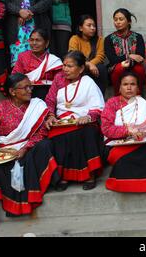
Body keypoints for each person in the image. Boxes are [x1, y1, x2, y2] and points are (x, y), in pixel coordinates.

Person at [0, 73, 59, 235]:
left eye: (30, 86)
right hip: (5, 151)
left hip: (28, 150)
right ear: (13, 92)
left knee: (45, 145)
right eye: (25, 87)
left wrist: (25, 148)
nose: (30, 90)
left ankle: (49, 182)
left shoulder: (37, 106)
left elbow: (41, 133)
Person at [44, 51, 105, 191]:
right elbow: (50, 100)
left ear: (81, 68)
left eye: (70, 66)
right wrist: (51, 116)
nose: (65, 69)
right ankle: (64, 176)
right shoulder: (58, 79)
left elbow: (98, 106)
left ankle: (90, 174)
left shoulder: (88, 82)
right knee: (57, 136)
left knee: (86, 131)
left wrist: (88, 117)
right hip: (62, 122)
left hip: (84, 121)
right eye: (64, 65)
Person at [102, 72, 146, 192]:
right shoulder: (112, 103)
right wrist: (128, 131)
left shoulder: (143, 103)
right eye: (125, 84)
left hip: (140, 141)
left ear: (138, 88)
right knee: (125, 155)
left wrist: (145, 133)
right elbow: (106, 129)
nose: (129, 87)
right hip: (116, 143)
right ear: (119, 87)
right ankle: (124, 184)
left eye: (132, 84)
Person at [12, 28, 62, 100]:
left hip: (48, 94)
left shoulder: (54, 61)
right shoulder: (23, 57)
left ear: (46, 43)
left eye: (38, 40)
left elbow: (60, 82)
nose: (34, 43)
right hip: (26, 93)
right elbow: (15, 77)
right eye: (31, 40)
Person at [105, 8, 146, 95]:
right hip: (116, 66)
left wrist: (130, 62)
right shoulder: (109, 39)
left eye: (121, 19)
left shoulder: (138, 37)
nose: (118, 22)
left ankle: (139, 96)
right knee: (118, 69)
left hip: (135, 64)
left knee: (139, 70)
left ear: (129, 21)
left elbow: (140, 57)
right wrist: (129, 56)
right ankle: (118, 96)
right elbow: (112, 59)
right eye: (115, 19)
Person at [5, 0, 52, 66]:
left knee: (40, 65)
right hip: (16, 29)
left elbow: (47, 2)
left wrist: (29, 11)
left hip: (38, 25)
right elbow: (5, 3)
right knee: (19, 66)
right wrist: (19, 11)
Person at [68, 15, 107, 94]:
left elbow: (100, 56)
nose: (92, 28)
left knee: (101, 68)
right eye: (89, 25)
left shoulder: (99, 40)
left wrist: (91, 64)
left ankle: (100, 97)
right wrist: (88, 64)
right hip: (80, 67)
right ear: (81, 28)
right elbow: (74, 56)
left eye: (94, 26)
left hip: (95, 69)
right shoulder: (74, 39)